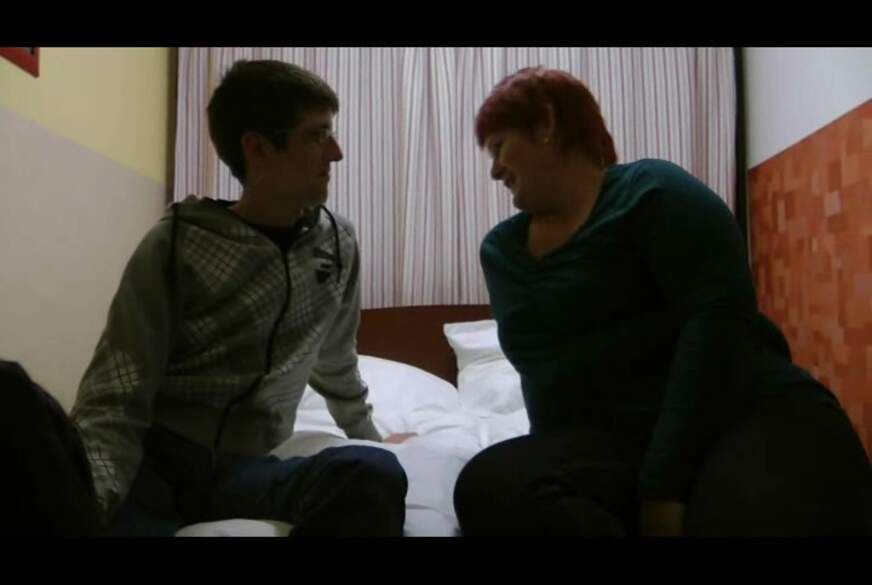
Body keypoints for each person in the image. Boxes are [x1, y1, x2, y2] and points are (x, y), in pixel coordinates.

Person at [453, 66, 872, 536]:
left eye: (499, 147)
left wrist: (663, 486)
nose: (494, 170)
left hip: (735, 411)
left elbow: (718, 332)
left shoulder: (654, 191)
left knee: (762, 508)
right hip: (613, 443)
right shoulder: (504, 252)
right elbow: (546, 378)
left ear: (546, 123)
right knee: (489, 485)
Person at [68, 60, 413, 536]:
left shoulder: (337, 244)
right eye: (317, 136)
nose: (336, 153)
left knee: (373, 474)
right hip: (157, 462)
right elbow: (117, 391)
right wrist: (94, 496)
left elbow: (335, 360)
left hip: (247, 467)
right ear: (258, 148)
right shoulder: (178, 245)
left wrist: (371, 439)